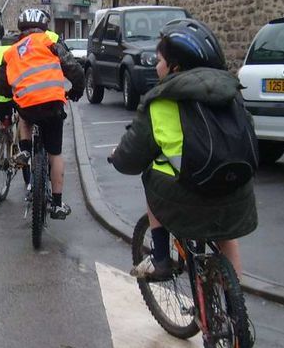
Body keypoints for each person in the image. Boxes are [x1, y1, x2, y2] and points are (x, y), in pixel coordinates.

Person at [109, 18, 257, 279]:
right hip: (237, 196)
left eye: (159, 61)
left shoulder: (161, 102)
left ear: (174, 66)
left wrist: (117, 157)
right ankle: (235, 309)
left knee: (150, 175)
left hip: (188, 200)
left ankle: (162, 260)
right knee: (226, 235)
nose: (156, 67)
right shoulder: (233, 93)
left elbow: (132, 157)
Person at [0, 8, 85, 219]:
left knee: (24, 116)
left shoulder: (12, 51)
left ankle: (25, 150)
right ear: (44, 27)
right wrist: (76, 92)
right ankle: (57, 203)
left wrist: (14, 92)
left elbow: (1, 85)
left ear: (21, 30)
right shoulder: (50, 43)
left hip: (28, 105)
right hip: (53, 104)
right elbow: (74, 69)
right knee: (55, 154)